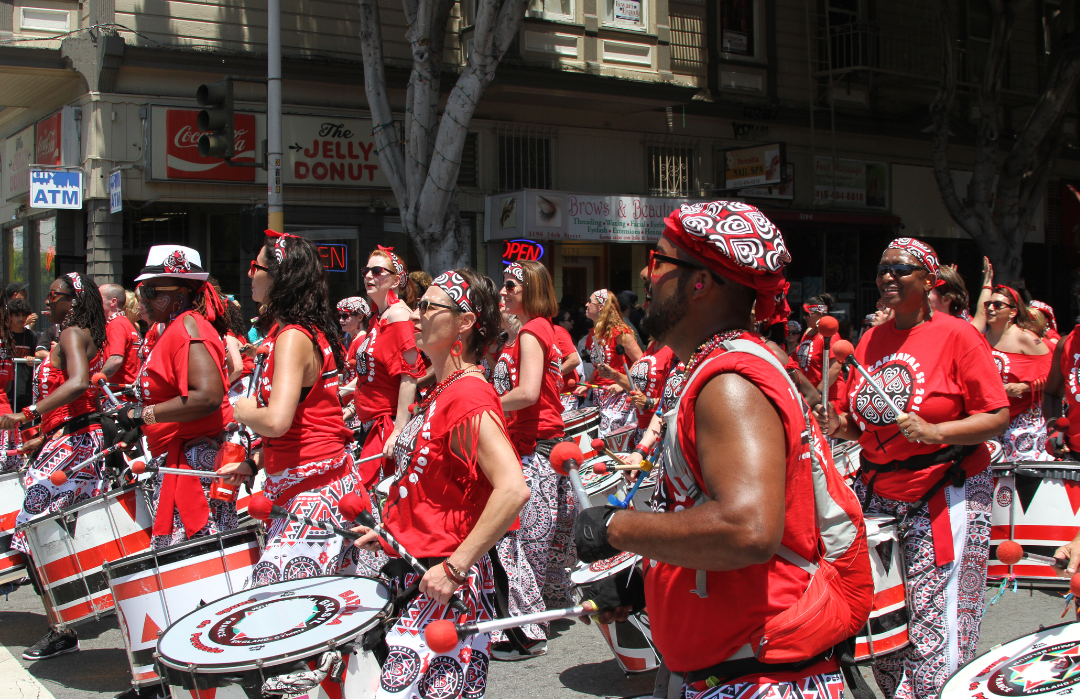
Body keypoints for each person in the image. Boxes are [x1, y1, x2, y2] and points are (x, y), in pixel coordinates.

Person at [574, 201, 870, 699]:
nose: (648, 277)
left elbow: (747, 529)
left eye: (659, 261)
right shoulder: (718, 369)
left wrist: (614, 528)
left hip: (758, 678)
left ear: (699, 282)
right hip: (738, 671)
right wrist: (647, 582)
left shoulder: (729, 382)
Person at [820, 237, 1009, 699]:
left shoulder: (957, 335)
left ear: (929, 281)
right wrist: (836, 422)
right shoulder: (871, 338)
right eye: (883, 267)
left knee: (934, 620)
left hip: (945, 489)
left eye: (901, 268)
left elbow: (998, 416)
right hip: (880, 492)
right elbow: (861, 426)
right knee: (885, 621)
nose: (888, 275)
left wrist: (937, 432)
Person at [352, 268, 529, 699]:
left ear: (465, 322)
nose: (415, 315)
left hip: (445, 583)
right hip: (421, 569)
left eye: (428, 307)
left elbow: (512, 488)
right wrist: (393, 533)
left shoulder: (468, 394)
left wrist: (455, 567)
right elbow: (439, 484)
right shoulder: (443, 388)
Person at [224, 231, 384, 582]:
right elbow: (304, 418)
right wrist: (255, 463)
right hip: (315, 483)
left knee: (278, 606)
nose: (251, 275)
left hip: (312, 491)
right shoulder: (296, 332)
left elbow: (278, 421)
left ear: (281, 277)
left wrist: (245, 412)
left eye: (257, 267)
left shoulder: (293, 336)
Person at [3, 273, 107, 660]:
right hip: (67, 439)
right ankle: (64, 621)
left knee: (34, 529)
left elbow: (78, 383)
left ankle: (62, 629)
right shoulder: (75, 332)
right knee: (49, 531)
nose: (47, 301)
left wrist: (28, 413)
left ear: (74, 299)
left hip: (76, 441)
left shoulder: (70, 333)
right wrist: (42, 436)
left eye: (55, 295)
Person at [108, 247, 238, 548]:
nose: (142, 299)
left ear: (179, 294)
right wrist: (139, 421)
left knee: (200, 559)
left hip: (195, 464)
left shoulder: (189, 328)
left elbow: (206, 397)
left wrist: (143, 415)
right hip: (178, 461)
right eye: (142, 290)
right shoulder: (174, 328)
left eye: (150, 290)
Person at [491, 260, 571, 660]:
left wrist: (478, 408)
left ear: (532, 290)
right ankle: (530, 624)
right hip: (537, 449)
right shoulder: (533, 331)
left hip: (534, 450)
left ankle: (525, 635)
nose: (503, 292)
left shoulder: (533, 330)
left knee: (513, 545)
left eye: (511, 286)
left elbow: (526, 393)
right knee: (525, 547)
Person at [351, 247, 424, 487]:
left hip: (388, 425)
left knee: (375, 506)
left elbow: (409, 376)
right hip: (370, 424)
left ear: (396, 279)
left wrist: (398, 431)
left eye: (377, 271)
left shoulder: (398, 316)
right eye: (366, 270)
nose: (368, 276)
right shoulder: (378, 318)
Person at [978, 285, 1052, 462]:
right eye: (988, 304)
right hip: (992, 419)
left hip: (1024, 422)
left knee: (1023, 479)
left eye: (997, 305)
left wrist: (1023, 387)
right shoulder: (980, 340)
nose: (990, 309)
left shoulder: (1026, 338)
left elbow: (1055, 376)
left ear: (1012, 312)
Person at [583, 289, 642, 436]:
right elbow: (600, 367)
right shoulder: (594, 335)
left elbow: (641, 361)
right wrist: (587, 385)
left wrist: (620, 384)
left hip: (620, 396)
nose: (586, 304)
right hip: (599, 393)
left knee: (608, 438)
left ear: (601, 307)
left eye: (590, 301)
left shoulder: (620, 333)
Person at [100, 284, 141, 386]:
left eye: (98, 298)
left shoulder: (116, 324)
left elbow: (116, 359)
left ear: (113, 302)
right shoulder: (124, 322)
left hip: (122, 395)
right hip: (127, 392)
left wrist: (98, 379)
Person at [795, 293, 833, 390]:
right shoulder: (807, 333)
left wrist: (819, 392)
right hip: (808, 393)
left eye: (806, 314)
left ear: (820, 315)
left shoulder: (829, 334)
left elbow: (834, 368)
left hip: (826, 398)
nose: (804, 318)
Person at [6, 296, 36, 412]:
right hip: (6, 391)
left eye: (23, 315)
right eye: (17, 315)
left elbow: (37, 357)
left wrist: (33, 359)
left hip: (25, 390)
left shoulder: (32, 336)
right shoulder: (4, 336)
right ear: (10, 316)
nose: (21, 318)